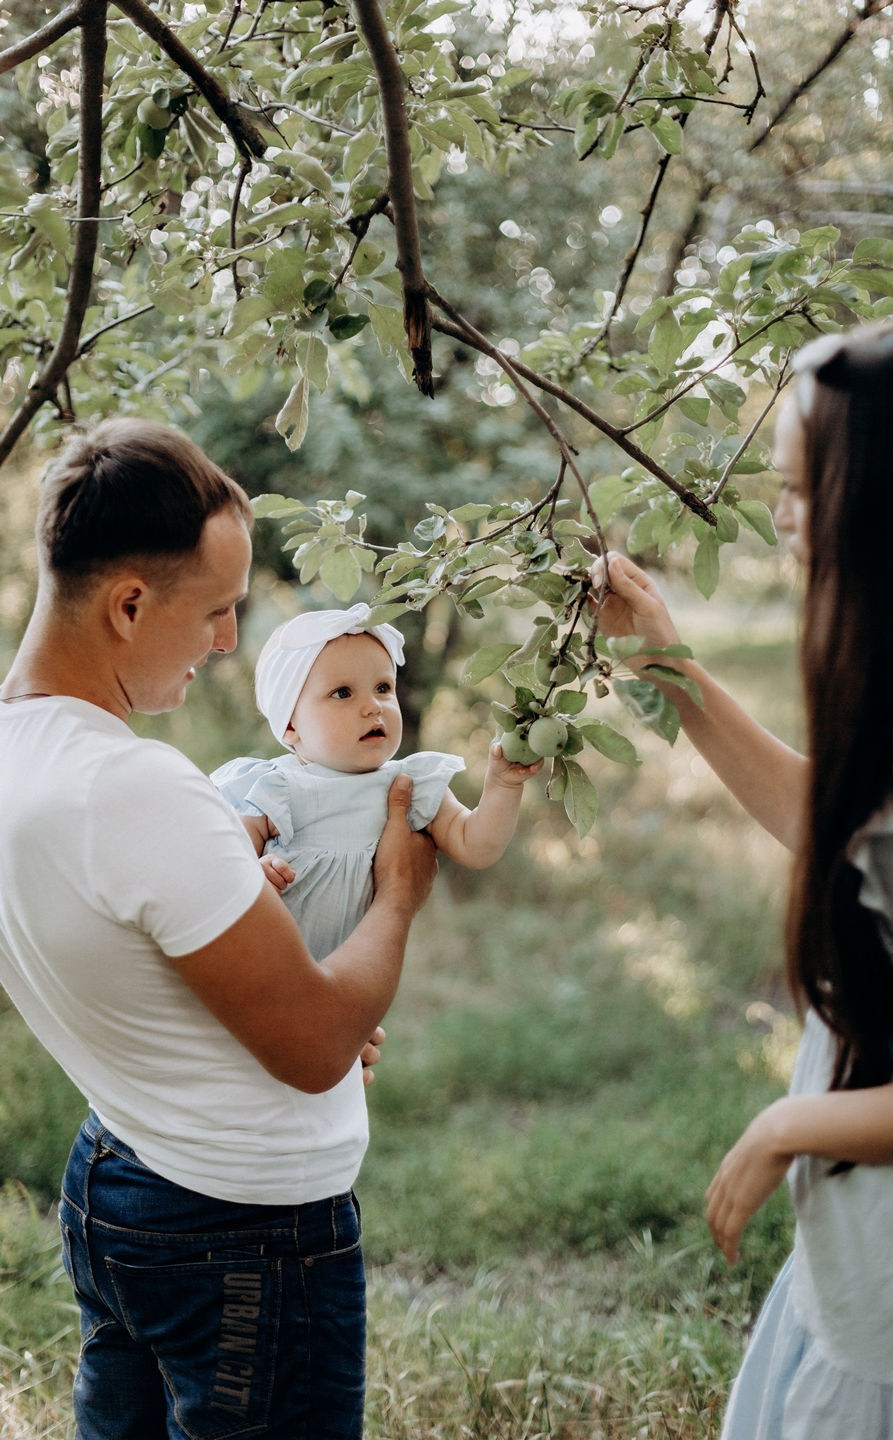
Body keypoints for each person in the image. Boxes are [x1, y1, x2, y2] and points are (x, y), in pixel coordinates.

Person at [0, 418, 439, 1440]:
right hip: (242, 1229)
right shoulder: (138, 787)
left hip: (120, 1175)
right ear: (129, 604)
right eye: (217, 611)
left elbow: (123, 963)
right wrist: (398, 893)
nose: (229, 644)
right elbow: (319, 1044)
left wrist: (275, 976)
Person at [592, 321, 893, 1437]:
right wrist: (668, 663)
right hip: (874, 1244)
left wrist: (792, 1125)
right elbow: (842, 831)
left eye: (807, 489)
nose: (785, 518)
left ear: (889, 494)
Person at [210, 605, 541, 959]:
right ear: (290, 725)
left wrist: (503, 786)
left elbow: (476, 846)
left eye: (383, 687)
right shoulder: (276, 788)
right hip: (274, 968)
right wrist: (252, 875)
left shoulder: (411, 784)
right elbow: (222, 867)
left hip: (358, 977)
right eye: (342, 693)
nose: (373, 706)